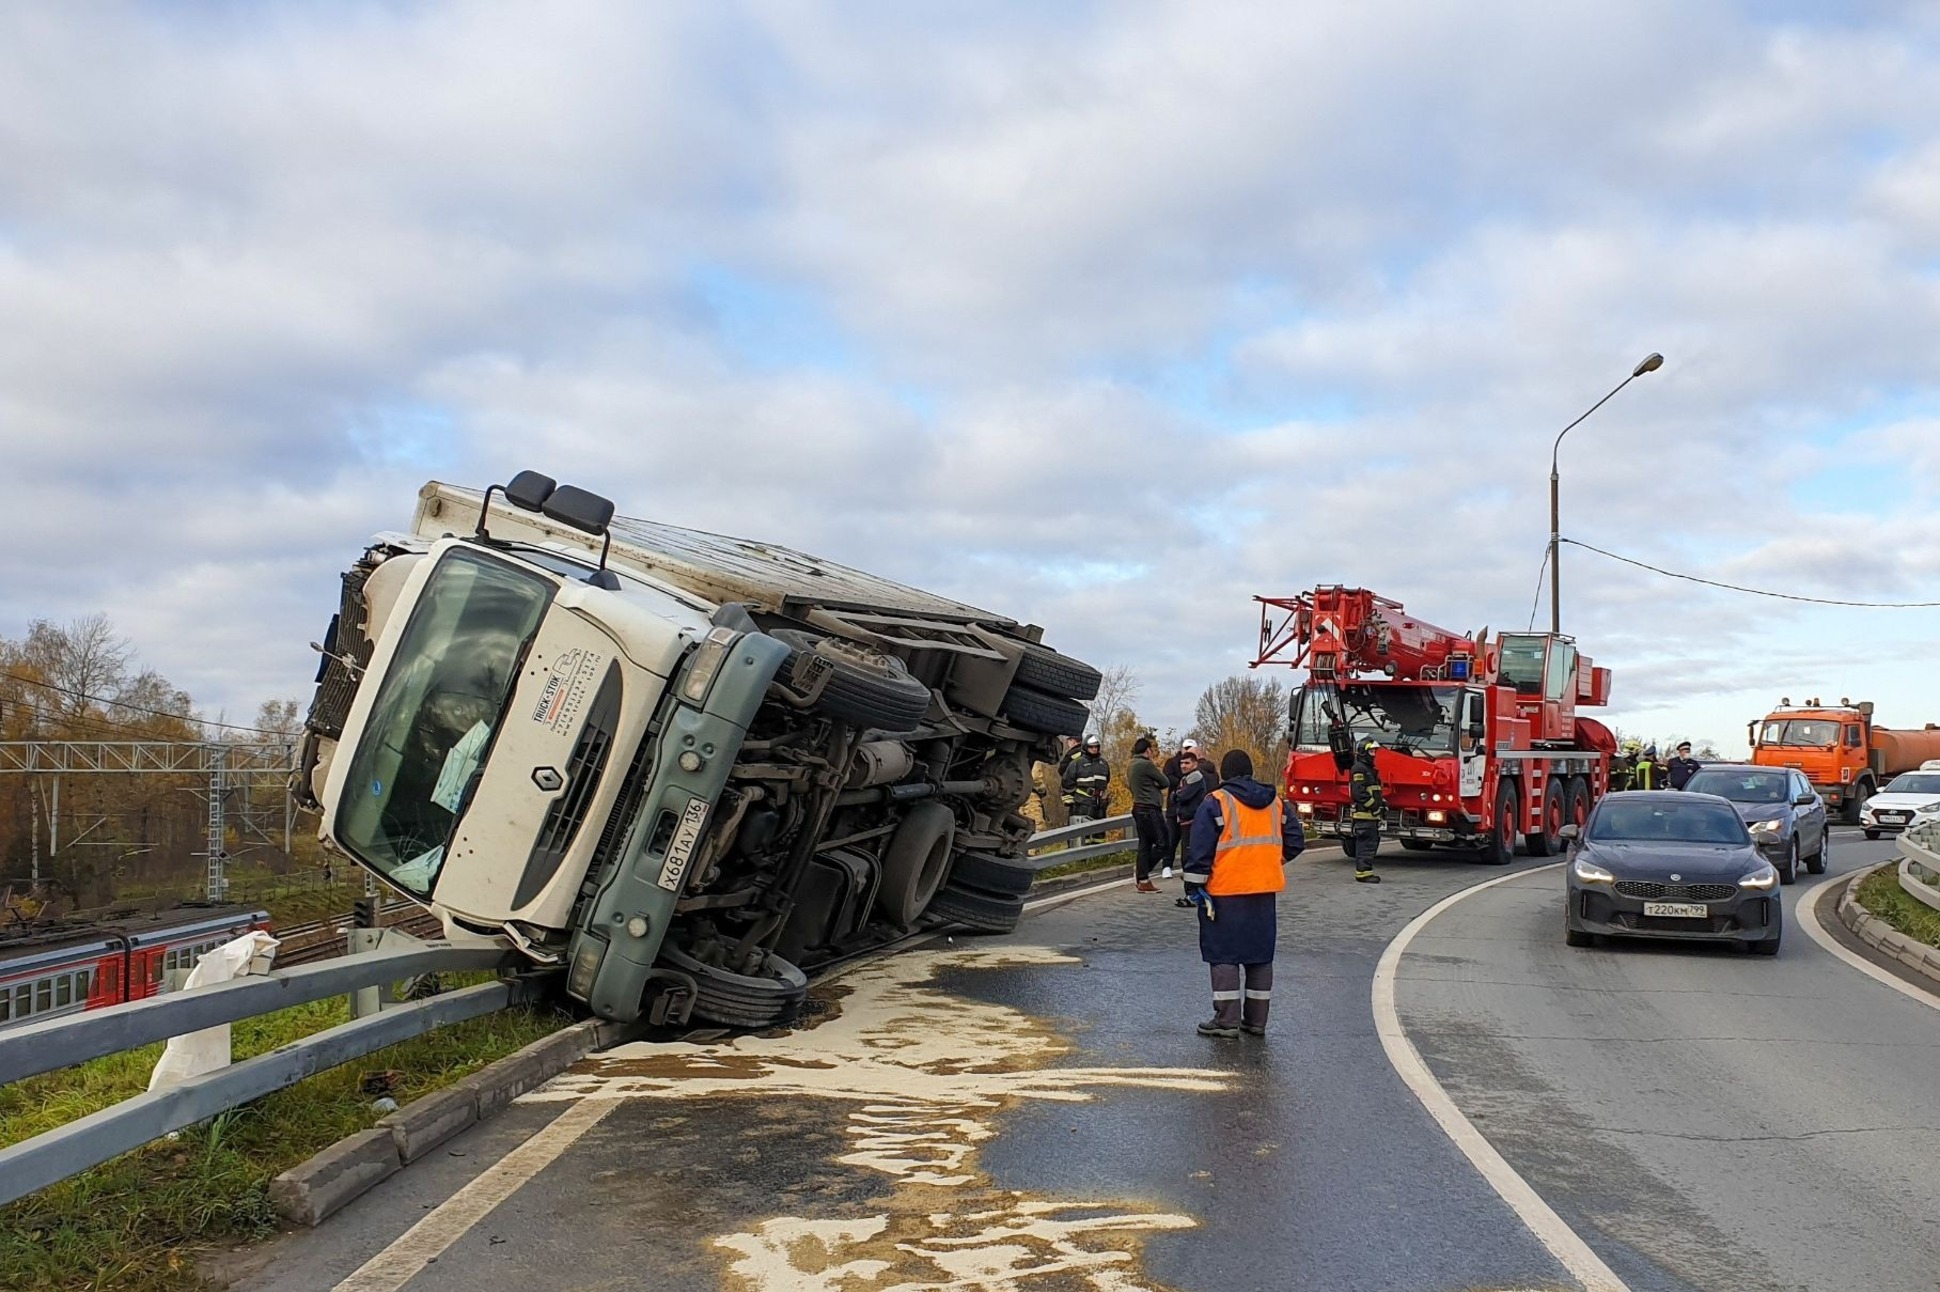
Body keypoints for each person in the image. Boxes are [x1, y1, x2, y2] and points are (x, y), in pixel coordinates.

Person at [1183, 749, 1305, 1038]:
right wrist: (1272, 862)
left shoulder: (1216, 802)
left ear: (1224, 773)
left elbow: (1199, 850)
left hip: (1224, 892)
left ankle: (1227, 1021)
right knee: (1259, 956)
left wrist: (1193, 888)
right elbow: (1296, 841)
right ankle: (1256, 1022)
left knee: (1224, 954)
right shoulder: (1275, 803)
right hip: (1264, 892)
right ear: (1250, 771)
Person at [1169, 747, 1218, 907]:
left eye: (1187, 763)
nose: (1183, 766)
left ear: (1195, 764)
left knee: (1190, 858)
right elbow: (1175, 796)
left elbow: (1182, 795)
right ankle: (1192, 893)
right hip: (1186, 821)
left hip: (1192, 822)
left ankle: (1194, 895)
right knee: (1188, 858)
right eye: (1182, 763)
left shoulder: (1195, 777)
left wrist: (1178, 795)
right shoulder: (1188, 778)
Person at [1127, 735, 1170, 893]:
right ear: (1147, 751)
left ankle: (1144, 880)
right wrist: (1155, 784)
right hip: (1150, 809)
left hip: (1138, 807)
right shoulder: (1146, 765)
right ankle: (1141, 872)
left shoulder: (1131, 765)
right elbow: (1165, 781)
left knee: (1144, 844)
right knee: (1163, 843)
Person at [1347, 735, 1384, 883]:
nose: (1373, 755)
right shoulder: (1359, 769)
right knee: (1366, 844)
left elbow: (1372, 790)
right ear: (1363, 752)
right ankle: (1363, 873)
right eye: (1371, 752)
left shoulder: (1368, 769)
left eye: (1375, 752)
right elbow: (1359, 793)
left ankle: (1366, 871)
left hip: (1370, 815)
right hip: (1364, 815)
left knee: (1370, 843)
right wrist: (1373, 806)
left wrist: (1381, 803)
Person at [1061, 734, 1110, 827]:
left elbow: (1107, 780)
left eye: (1096, 747)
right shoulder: (1077, 763)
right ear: (1086, 747)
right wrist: (1071, 802)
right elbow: (1067, 781)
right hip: (1081, 803)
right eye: (1091, 747)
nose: (1094, 749)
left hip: (1099, 804)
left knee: (1099, 835)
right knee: (1081, 835)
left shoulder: (1103, 764)